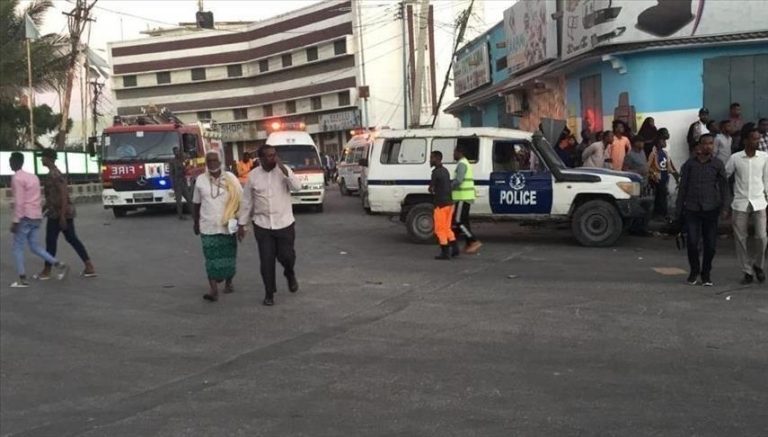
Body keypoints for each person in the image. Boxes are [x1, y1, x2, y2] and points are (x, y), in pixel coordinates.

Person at [238, 145, 302, 306]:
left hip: (284, 223)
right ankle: (269, 292)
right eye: (267, 156)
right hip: (263, 225)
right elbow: (246, 202)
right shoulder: (253, 176)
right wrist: (242, 224)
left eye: (274, 155)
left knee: (287, 256)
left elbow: (297, 187)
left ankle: (290, 273)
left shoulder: (283, 170)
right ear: (260, 158)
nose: (271, 158)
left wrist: (283, 168)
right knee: (266, 260)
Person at [8, 152, 69, 287]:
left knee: (17, 247)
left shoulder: (17, 178)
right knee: (35, 246)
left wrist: (16, 220)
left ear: (14, 162)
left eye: (10, 161)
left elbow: (19, 201)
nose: (9, 163)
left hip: (25, 216)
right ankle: (58, 264)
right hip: (36, 216)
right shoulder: (33, 177)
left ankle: (22, 279)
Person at [676, 134, 730, 286]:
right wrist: (679, 210)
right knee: (692, 242)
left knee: (710, 245)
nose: (708, 146)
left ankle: (706, 274)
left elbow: (724, 187)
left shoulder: (717, 164)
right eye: (705, 143)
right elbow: (683, 188)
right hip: (692, 208)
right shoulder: (689, 165)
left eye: (711, 144)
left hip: (711, 208)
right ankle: (694, 272)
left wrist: (725, 207)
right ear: (699, 146)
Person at [36, 148, 96, 280]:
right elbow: (52, 197)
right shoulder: (52, 174)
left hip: (59, 214)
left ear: (49, 159)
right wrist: (41, 211)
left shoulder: (55, 175)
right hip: (55, 213)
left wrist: (62, 216)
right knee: (70, 239)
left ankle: (47, 270)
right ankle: (89, 266)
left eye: (43, 157)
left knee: (52, 241)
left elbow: (64, 195)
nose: (41, 160)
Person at [193, 151, 243, 302]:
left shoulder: (231, 178)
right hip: (207, 226)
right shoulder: (200, 180)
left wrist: (241, 223)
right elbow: (196, 203)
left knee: (228, 256)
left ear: (220, 162)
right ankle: (213, 289)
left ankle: (228, 282)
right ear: (206, 163)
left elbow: (241, 199)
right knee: (210, 258)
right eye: (209, 161)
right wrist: (195, 222)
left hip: (228, 225)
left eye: (215, 160)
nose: (212, 163)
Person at [724, 128, 768, 285]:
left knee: (762, 237)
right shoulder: (736, 158)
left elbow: (767, 180)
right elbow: (725, 175)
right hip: (740, 202)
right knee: (740, 238)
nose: (756, 142)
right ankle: (747, 271)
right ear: (745, 141)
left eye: (758, 139)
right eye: (754, 139)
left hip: (759, 201)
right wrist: (726, 199)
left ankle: (758, 264)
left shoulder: (764, 157)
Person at [451, 144, 482, 254]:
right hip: (465, 197)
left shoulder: (462, 164)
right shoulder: (465, 163)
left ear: (460, 152)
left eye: (454, 152)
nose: (453, 154)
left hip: (462, 198)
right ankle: (466, 244)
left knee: (458, 221)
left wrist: (448, 186)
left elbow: (459, 180)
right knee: (464, 221)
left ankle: (473, 241)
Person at [429, 151, 458, 260]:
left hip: (440, 204)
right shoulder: (445, 171)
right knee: (447, 227)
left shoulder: (435, 172)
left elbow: (431, 188)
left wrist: (431, 189)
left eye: (431, 158)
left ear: (437, 159)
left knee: (439, 229)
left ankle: (445, 252)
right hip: (450, 203)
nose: (430, 160)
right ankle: (455, 248)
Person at [623, 136, 652, 235]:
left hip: (644, 183)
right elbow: (625, 170)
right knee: (638, 207)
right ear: (634, 143)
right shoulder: (630, 155)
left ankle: (643, 228)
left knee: (646, 206)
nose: (642, 144)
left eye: (642, 142)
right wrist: (638, 171)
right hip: (635, 184)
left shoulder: (642, 152)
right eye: (640, 142)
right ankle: (635, 228)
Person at [648, 128, 678, 218]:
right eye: (663, 140)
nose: (665, 142)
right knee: (660, 196)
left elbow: (669, 163)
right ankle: (660, 214)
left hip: (664, 177)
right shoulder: (653, 151)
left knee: (662, 195)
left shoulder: (663, 152)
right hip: (657, 177)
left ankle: (661, 214)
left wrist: (675, 174)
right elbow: (649, 165)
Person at [169, 147, 193, 220]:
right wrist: (172, 184)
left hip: (183, 182)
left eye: (178, 151)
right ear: (173, 153)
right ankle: (180, 215)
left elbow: (189, 158)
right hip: (177, 183)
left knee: (189, 199)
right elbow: (171, 173)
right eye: (175, 152)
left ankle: (193, 214)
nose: (177, 153)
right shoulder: (172, 162)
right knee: (179, 201)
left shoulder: (183, 159)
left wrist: (184, 155)